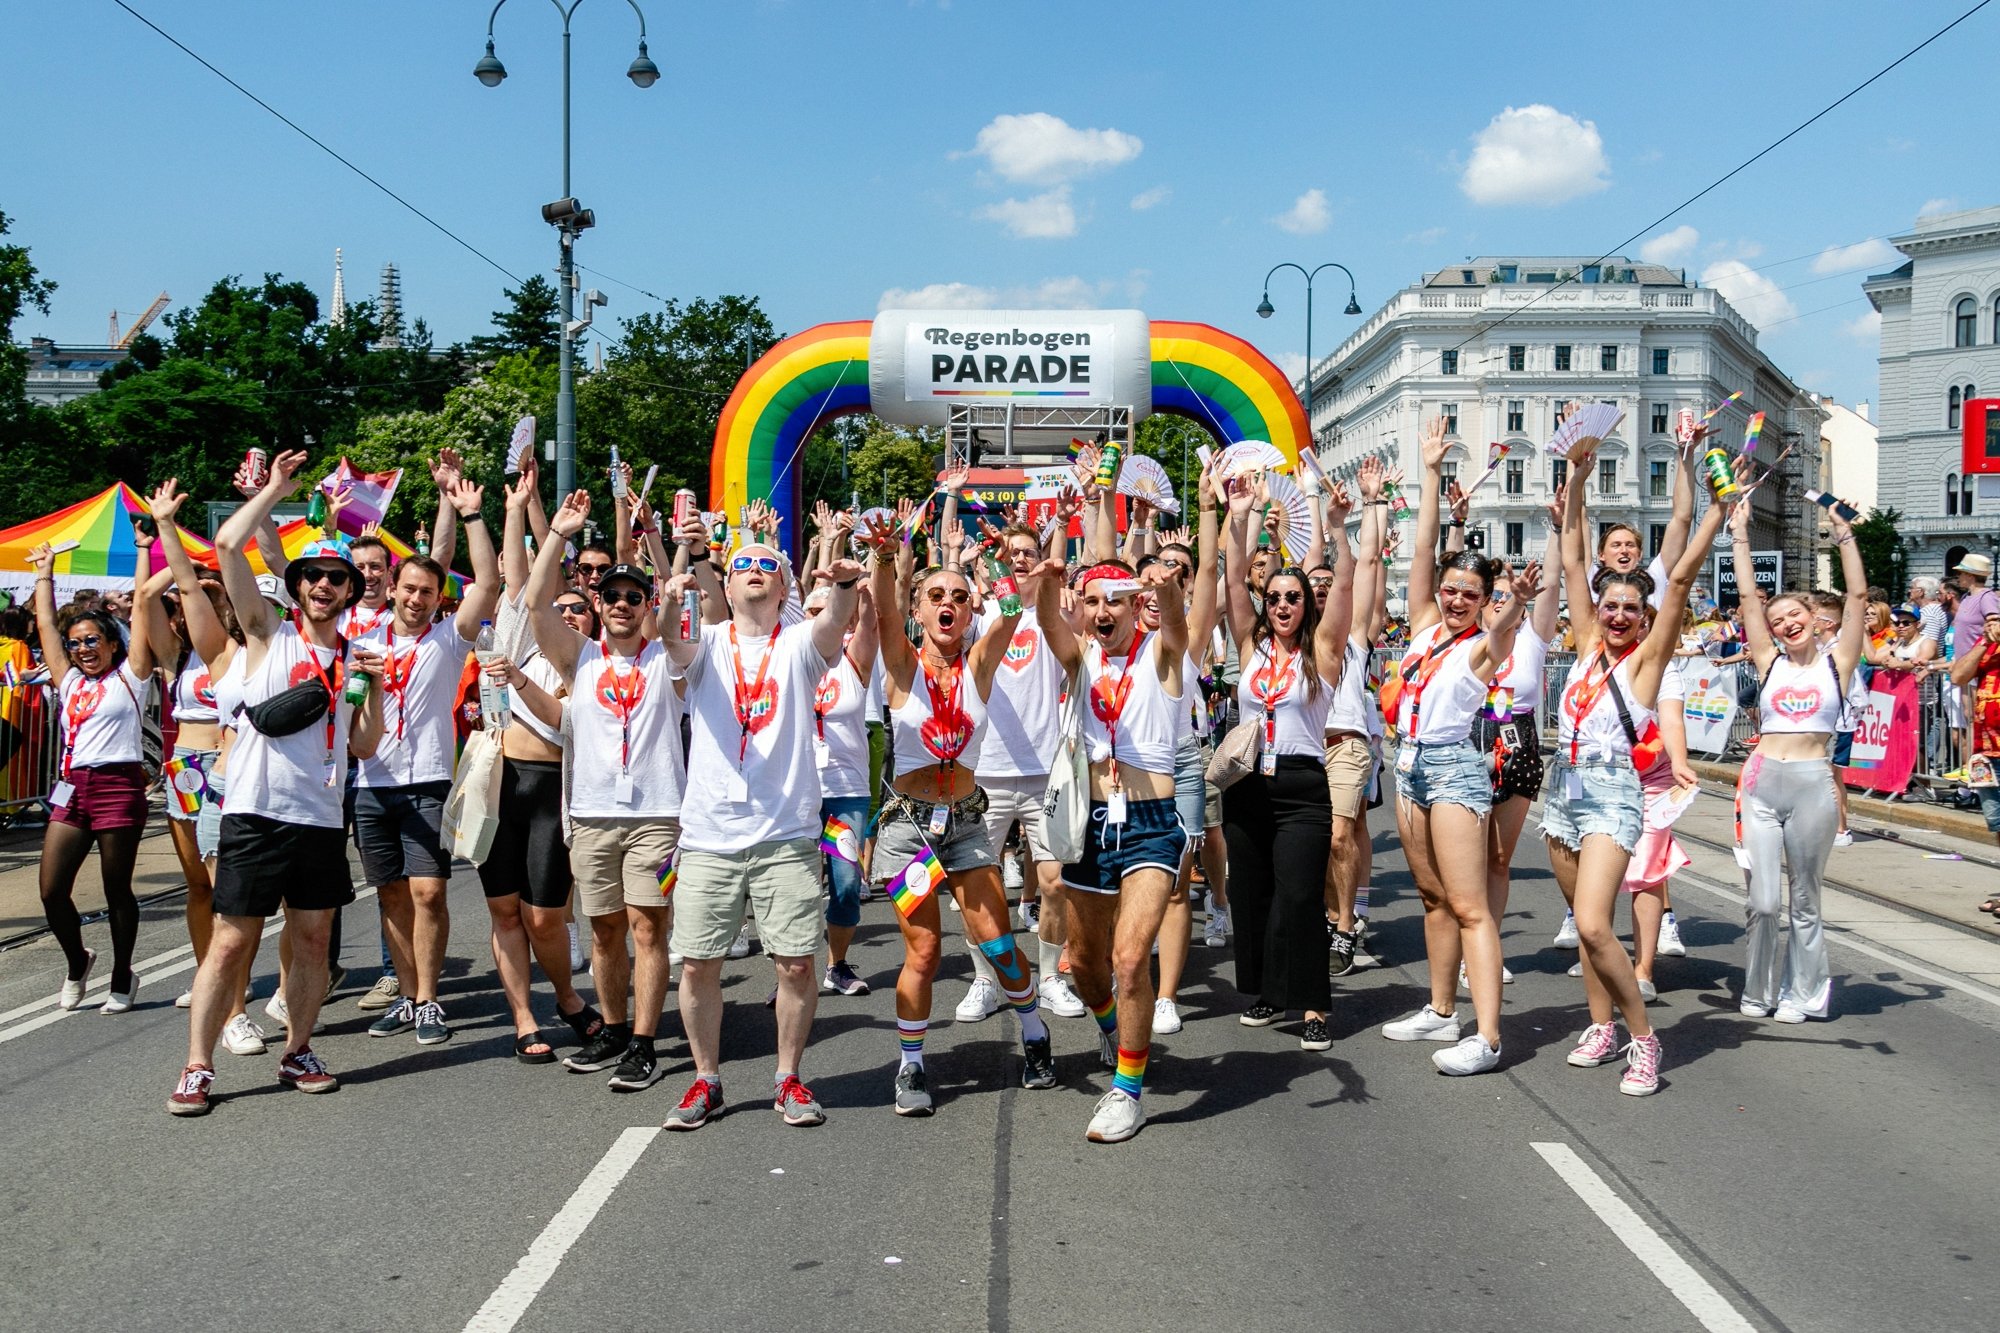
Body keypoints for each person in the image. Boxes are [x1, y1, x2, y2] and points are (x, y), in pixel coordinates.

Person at [168, 451, 386, 1115]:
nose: (324, 584)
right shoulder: (267, 632)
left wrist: (371, 690)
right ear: (297, 585)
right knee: (234, 939)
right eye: (314, 575)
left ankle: (298, 1047)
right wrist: (277, 491)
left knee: (315, 938)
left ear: (350, 590)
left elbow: (364, 744)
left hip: (319, 817)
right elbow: (230, 542)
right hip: (256, 813)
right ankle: (197, 1065)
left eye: (336, 577)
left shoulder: (355, 656)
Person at [658, 514, 863, 1131]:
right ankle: (706, 1079)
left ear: (782, 587)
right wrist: (676, 581)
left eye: (765, 565)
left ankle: (788, 1079)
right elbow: (671, 637)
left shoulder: (799, 643)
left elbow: (834, 626)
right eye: (741, 564)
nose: (752, 572)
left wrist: (849, 583)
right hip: (710, 835)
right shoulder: (710, 640)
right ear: (727, 583)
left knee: (797, 964)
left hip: (786, 834)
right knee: (697, 963)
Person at [858, 511, 1055, 1116]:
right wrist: (889, 557)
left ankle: (1034, 1030)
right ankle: (912, 1067)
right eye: (936, 597)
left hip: (967, 820)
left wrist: (995, 563)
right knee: (923, 951)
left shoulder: (979, 666)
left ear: (970, 613)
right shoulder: (902, 667)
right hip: (907, 828)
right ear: (920, 610)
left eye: (960, 599)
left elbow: (1016, 614)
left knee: (996, 941)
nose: (948, 605)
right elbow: (886, 614)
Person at [1546, 445, 1726, 1096]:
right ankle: (1601, 1025)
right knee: (1585, 929)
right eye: (1609, 606)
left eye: (1630, 609)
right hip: (1562, 788)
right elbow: (1572, 555)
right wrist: (1575, 480)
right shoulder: (1586, 649)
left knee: (1595, 922)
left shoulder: (1645, 665)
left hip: (1613, 792)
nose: (1618, 614)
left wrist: (1716, 512)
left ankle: (1644, 1039)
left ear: (1645, 620)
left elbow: (1676, 582)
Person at [1377, 415, 1542, 1075]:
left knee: (1471, 904)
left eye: (1469, 595)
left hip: (1454, 772)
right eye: (1449, 589)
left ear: (1483, 603)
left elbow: (1502, 638)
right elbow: (1420, 555)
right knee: (1432, 897)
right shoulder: (1421, 623)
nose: (1454, 599)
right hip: (1409, 765)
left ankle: (1489, 1035)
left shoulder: (1481, 645)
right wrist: (1431, 471)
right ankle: (1441, 1009)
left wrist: (1517, 605)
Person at [525, 492, 693, 1091]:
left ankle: (645, 1042)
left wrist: (654, 538)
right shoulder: (580, 659)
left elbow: (677, 598)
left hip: (658, 815)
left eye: (633, 597)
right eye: (613, 596)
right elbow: (535, 602)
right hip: (593, 815)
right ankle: (616, 1030)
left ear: (644, 605)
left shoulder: (671, 660)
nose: (622, 604)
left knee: (649, 928)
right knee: (603, 931)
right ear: (599, 603)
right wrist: (558, 536)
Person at [1214, 464, 1356, 1056]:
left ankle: (1315, 1005)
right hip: (1247, 782)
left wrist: (1341, 531)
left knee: (1299, 895)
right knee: (1253, 891)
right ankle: (1271, 990)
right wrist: (1239, 517)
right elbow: (1230, 583)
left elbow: (1345, 588)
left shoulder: (1322, 652)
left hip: (1301, 785)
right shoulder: (1250, 644)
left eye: (1293, 597)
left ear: (1307, 605)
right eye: (1274, 597)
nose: (1282, 605)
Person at [355, 473, 500, 1049]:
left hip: (428, 783)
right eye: (409, 589)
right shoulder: (360, 639)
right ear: (392, 588)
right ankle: (411, 998)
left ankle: (432, 1001)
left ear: (439, 599)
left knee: (428, 894)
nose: (417, 600)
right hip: (370, 784)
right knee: (390, 896)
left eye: (428, 593)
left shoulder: (447, 639)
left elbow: (486, 582)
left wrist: (468, 514)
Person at [471, 465, 608, 1065]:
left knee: (546, 917)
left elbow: (561, 722)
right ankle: (524, 1018)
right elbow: (523, 584)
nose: (569, 613)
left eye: (581, 609)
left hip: (554, 788)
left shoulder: (595, 665)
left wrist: (521, 683)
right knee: (504, 910)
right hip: (500, 784)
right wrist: (521, 513)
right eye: (562, 606)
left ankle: (567, 998)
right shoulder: (519, 637)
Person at [1730, 496, 1867, 1022]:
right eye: (1778, 619)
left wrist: (1843, 533)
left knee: (1805, 900)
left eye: (1795, 615)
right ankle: (1760, 989)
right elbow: (1747, 597)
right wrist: (1739, 533)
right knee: (1763, 902)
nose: (1787, 624)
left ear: (1815, 618)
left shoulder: (1839, 663)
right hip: (1763, 783)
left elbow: (1856, 594)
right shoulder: (1769, 662)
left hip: (1813, 785)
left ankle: (1804, 993)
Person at [28, 533, 156, 1013]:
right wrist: (45, 571)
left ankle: (123, 974)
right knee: (51, 889)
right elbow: (44, 623)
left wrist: (143, 550)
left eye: (92, 641)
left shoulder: (131, 676)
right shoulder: (70, 678)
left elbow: (141, 610)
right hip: (73, 789)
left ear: (111, 643)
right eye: (76, 643)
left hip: (119, 786)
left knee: (115, 887)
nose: (83, 649)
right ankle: (77, 959)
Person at [800, 503, 878, 998]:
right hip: (797, 792)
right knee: (797, 888)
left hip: (846, 790)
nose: (819, 621)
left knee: (846, 883)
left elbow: (869, 618)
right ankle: (797, 973)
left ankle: (838, 964)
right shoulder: (787, 661)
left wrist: (863, 577)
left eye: (829, 613)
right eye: (811, 612)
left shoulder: (854, 659)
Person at [1321, 459, 1390, 978]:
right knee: (1314, 841)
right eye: (1312, 586)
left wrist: (1366, 508)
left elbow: (1365, 567)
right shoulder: (1295, 638)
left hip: (1346, 745)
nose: (1322, 591)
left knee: (1341, 835)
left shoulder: (1354, 638)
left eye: (1329, 585)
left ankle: (1345, 925)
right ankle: (1325, 919)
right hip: (1298, 750)